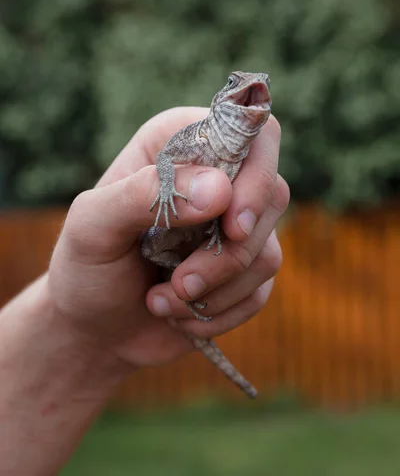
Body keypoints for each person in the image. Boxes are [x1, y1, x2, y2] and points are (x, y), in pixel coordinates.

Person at [0, 106, 289, 475]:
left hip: (182, 248)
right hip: (155, 247)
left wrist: (80, 339)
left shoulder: (240, 154)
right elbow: (166, 156)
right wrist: (166, 185)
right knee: (177, 253)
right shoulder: (200, 135)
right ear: (221, 101)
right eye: (235, 83)